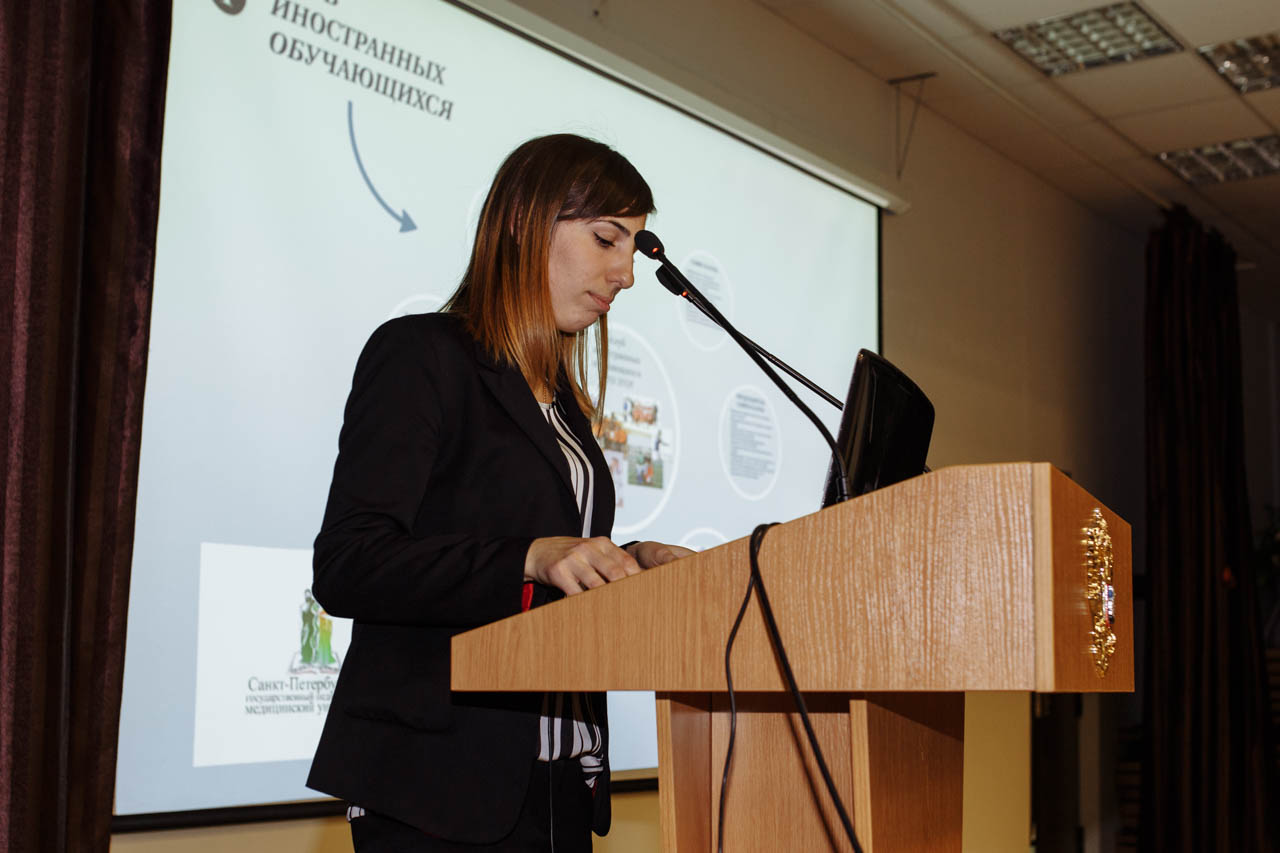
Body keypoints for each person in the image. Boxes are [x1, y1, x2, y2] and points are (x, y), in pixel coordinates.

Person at [306, 134, 693, 852]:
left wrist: (630, 560)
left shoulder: (564, 405)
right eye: (606, 238)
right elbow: (349, 562)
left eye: (634, 247)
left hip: (560, 784)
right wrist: (529, 556)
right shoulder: (422, 355)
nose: (626, 273)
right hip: (439, 788)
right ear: (522, 222)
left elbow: (538, 551)